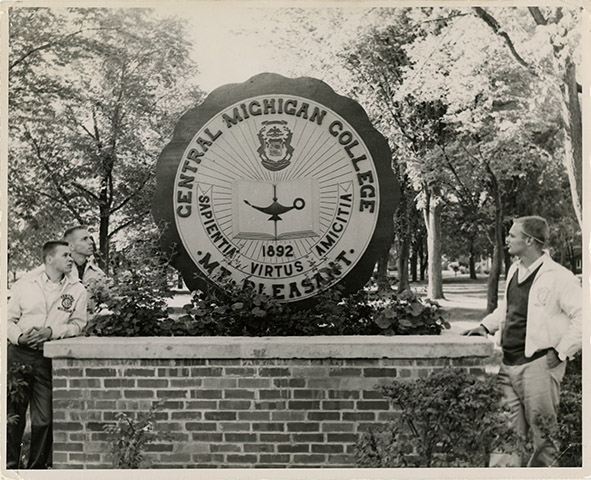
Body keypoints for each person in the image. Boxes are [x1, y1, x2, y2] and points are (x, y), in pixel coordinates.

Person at [462, 216, 581, 467]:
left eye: (513, 235)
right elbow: (509, 308)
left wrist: (561, 352)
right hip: (508, 363)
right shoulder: (516, 269)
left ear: (529, 240)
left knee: (544, 439)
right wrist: (485, 326)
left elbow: (584, 317)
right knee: (505, 435)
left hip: (539, 365)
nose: (507, 239)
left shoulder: (560, 276)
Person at [6, 241, 88, 469]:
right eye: (65, 255)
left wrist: (52, 332)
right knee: (12, 418)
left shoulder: (77, 289)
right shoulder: (25, 285)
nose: (71, 259)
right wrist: (19, 337)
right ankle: (10, 467)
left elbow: (78, 325)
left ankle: (36, 469)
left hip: (46, 359)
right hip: (18, 356)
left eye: (71, 255)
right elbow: (7, 319)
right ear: (49, 259)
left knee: (44, 420)